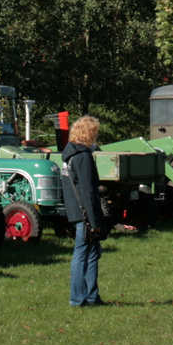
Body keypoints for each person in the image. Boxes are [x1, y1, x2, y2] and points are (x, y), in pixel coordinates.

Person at [60, 114, 109, 307]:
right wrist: (95, 222)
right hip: (85, 213)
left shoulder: (69, 155)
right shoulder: (83, 157)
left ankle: (90, 296)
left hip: (74, 210)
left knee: (91, 252)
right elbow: (88, 191)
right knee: (82, 254)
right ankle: (78, 298)